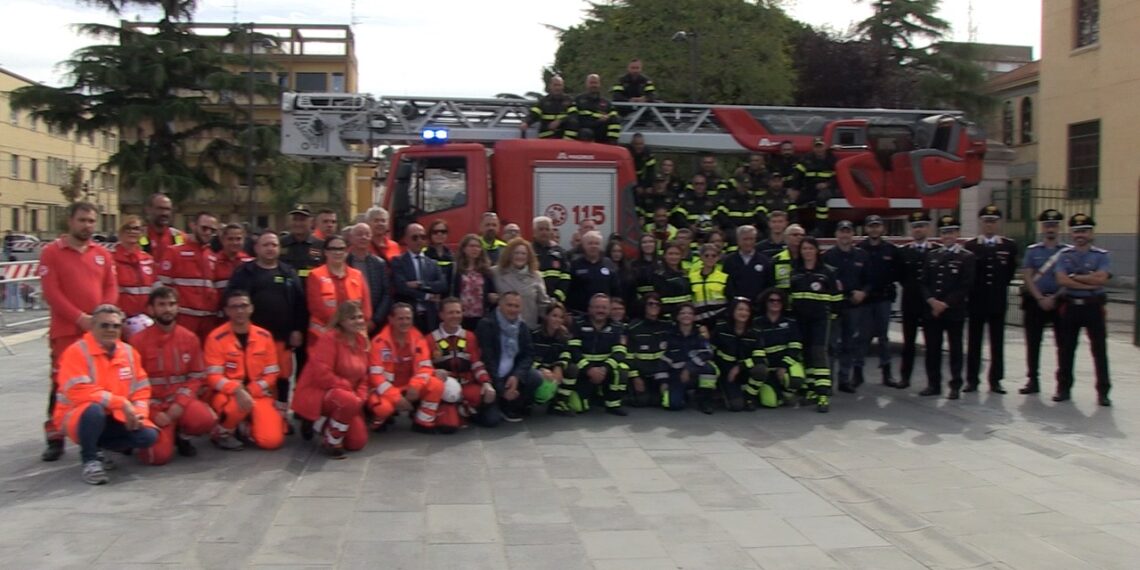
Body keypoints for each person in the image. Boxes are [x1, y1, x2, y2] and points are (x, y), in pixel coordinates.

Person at [38, 201, 119, 462]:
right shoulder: (52, 252)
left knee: (98, 384)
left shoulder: (103, 254)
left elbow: (111, 288)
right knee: (61, 383)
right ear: (70, 221)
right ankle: (55, 436)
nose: (87, 226)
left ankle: (98, 436)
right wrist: (80, 318)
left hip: (96, 332)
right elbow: (52, 293)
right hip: (66, 331)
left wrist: (102, 318)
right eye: (82, 220)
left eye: (91, 221)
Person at [53, 304, 159, 484]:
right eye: (104, 325)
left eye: (116, 326)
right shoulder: (76, 352)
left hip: (114, 416)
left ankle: (100, 446)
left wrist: (139, 414)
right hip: (78, 416)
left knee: (148, 436)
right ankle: (90, 460)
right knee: (95, 410)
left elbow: (142, 388)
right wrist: (121, 403)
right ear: (92, 326)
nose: (111, 330)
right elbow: (79, 391)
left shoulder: (129, 352)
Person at [226, 232, 307, 425]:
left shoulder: (288, 272)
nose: (270, 248)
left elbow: (300, 303)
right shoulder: (244, 272)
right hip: (252, 339)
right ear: (256, 248)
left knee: (283, 377)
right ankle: (249, 415)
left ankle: (281, 416)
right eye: (266, 245)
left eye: (274, 244)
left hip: (282, 338)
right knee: (254, 377)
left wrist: (297, 329)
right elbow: (232, 299)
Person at [128, 287, 216, 465]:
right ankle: (151, 434)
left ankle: (181, 435)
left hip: (179, 400)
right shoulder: (137, 342)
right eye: (161, 305)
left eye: (172, 304)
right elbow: (131, 383)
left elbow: (197, 376)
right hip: (152, 404)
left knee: (206, 420)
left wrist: (180, 404)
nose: (167, 309)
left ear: (178, 308)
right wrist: (152, 411)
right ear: (151, 309)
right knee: (157, 458)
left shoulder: (189, 338)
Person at [204, 289, 286, 450]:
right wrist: (235, 389)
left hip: (257, 394)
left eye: (244, 305)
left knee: (272, 441)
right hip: (227, 395)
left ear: (251, 308)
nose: (240, 310)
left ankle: (244, 427)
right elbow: (213, 376)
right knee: (235, 407)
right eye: (234, 307)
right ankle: (222, 433)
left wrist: (252, 389)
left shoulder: (265, 336)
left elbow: (272, 374)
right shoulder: (215, 338)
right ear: (226, 311)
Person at [292, 301, 372, 458]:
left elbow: (364, 375)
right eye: (352, 318)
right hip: (321, 392)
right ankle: (332, 442)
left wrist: (361, 397)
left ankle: (319, 423)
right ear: (341, 321)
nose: (358, 321)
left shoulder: (362, 341)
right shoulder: (329, 339)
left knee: (357, 442)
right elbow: (322, 375)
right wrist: (348, 389)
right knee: (346, 400)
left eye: (360, 317)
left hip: (349, 398)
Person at [1053, 213, 1112, 406]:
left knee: (1099, 350)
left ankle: (1103, 392)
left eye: (1084, 231)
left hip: (1093, 307)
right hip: (1071, 306)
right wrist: (1089, 282)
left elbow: (1101, 279)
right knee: (1066, 349)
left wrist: (1075, 277)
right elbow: (1061, 280)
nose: (1080, 234)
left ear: (1091, 233)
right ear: (1071, 233)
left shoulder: (1101, 255)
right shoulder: (1064, 255)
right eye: (1077, 231)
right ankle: (1063, 388)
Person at [963, 205, 1018, 394]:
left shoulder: (1008, 246)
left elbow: (1009, 273)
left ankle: (995, 380)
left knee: (997, 342)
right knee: (974, 342)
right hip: (977, 301)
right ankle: (972, 379)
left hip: (997, 300)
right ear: (981, 222)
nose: (989, 225)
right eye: (986, 221)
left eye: (993, 221)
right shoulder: (971, 246)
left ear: (998, 223)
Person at [369, 303, 446, 433]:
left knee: (436, 385)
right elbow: (376, 376)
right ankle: (379, 419)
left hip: (409, 386)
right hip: (387, 388)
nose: (405, 322)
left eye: (408, 318)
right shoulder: (379, 342)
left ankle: (423, 422)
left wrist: (416, 386)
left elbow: (425, 366)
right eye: (400, 318)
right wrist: (395, 398)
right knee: (382, 409)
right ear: (391, 319)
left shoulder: (418, 338)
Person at [922, 215, 976, 399]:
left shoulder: (966, 257)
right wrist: (931, 301)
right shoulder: (932, 255)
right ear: (940, 234)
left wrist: (945, 304)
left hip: (953, 311)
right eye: (944, 232)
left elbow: (965, 285)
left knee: (955, 349)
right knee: (932, 349)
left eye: (951, 231)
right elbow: (924, 283)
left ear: (957, 233)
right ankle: (933, 384)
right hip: (933, 312)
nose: (948, 235)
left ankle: (955, 385)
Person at [788, 236, 841, 412]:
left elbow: (836, 298)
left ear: (817, 250)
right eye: (804, 249)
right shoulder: (795, 271)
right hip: (800, 320)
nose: (807, 252)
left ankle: (823, 394)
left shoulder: (827, 272)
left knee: (819, 353)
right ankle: (810, 389)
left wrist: (832, 317)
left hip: (820, 320)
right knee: (806, 354)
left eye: (811, 248)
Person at [1019, 209, 1068, 395]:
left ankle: (1062, 384)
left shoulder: (1065, 252)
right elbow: (1028, 276)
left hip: (1059, 300)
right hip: (1036, 301)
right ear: (1042, 227)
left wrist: (1054, 298)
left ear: (1059, 228)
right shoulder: (1033, 251)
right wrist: (1039, 297)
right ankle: (1033, 380)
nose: (1050, 229)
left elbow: (1069, 277)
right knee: (1033, 342)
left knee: (1063, 344)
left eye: (1054, 225)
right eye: (1047, 225)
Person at [431, 298, 500, 429]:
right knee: (448, 426)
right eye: (450, 312)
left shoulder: (469, 337)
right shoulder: (430, 339)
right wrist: (434, 372)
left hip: (468, 386)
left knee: (492, 420)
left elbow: (476, 363)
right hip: (446, 391)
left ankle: (466, 411)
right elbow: (424, 367)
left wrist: (486, 382)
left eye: (458, 312)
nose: (455, 316)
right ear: (441, 315)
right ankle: (457, 412)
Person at [475, 291, 543, 422]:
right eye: (509, 305)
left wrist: (517, 376)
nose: (513, 309)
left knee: (535, 377)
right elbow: (487, 360)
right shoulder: (487, 324)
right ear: (500, 304)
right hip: (490, 376)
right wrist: (501, 389)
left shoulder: (522, 326)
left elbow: (529, 354)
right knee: (491, 421)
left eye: (516, 306)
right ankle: (494, 403)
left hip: (511, 374)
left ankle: (511, 406)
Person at [895, 211, 941, 390]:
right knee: (908, 344)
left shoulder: (936, 251)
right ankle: (905, 377)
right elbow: (899, 276)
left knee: (932, 345)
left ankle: (933, 382)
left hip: (930, 304)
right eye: (915, 226)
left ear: (928, 228)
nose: (918, 229)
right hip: (911, 302)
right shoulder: (904, 252)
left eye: (921, 226)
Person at [823, 220, 871, 392]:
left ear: (852, 234)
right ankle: (827, 381)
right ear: (836, 234)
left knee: (849, 344)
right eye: (842, 231)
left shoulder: (861, 255)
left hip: (854, 306)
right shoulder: (828, 256)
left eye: (848, 231)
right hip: (835, 307)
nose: (845, 235)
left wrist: (863, 292)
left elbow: (869, 280)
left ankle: (844, 380)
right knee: (831, 345)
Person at [157, 212, 219, 339]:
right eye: (204, 228)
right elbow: (162, 288)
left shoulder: (212, 256)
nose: (208, 232)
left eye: (212, 230)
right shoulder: (174, 252)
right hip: (184, 319)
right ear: (193, 225)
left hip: (208, 320)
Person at [306, 234, 372, 345]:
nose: (337, 252)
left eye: (341, 249)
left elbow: (366, 308)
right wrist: (341, 323)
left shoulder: (357, 275)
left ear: (347, 251)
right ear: (326, 252)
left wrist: (355, 324)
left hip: (354, 333)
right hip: (325, 332)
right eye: (333, 249)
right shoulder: (315, 275)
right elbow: (316, 307)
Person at [568, 294, 628, 416]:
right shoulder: (578, 324)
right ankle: (589, 396)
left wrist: (604, 369)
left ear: (609, 310)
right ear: (589, 309)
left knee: (622, 368)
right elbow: (573, 350)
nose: (600, 310)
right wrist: (589, 369)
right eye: (596, 307)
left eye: (604, 308)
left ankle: (613, 404)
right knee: (579, 407)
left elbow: (620, 352)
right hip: (583, 371)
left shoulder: (618, 327)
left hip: (605, 371)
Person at [857, 214, 899, 385]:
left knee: (883, 337)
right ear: (866, 229)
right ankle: (857, 373)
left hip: (883, 299)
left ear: (882, 228)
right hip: (866, 300)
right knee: (863, 338)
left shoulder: (891, 250)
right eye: (871, 226)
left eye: (877, 226)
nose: (874, 229)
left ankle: (887, 373)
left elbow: (898, 272)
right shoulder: (860, 249)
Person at [711, 298, 767, 412]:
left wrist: (739, 367)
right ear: (732, 311)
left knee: (761, 369)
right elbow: (711, 350)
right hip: (725, 372)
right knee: (736, 406)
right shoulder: (721, 328)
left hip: (745, 370)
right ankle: (721, 391)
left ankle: (749, 397)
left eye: (747, 310)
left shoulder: (755, 331)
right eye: (740, 309)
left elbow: (759, 357)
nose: (744, 313)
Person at [754, 288, 807, 408]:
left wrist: (783, 366)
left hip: (786, 364)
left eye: (778, 301)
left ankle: (786, 393)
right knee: (770, 403)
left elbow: (795, 347)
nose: (775, 303)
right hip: (767, 367)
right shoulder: (757, 323)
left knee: (796, 378)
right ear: (765, 303)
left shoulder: (790, 322)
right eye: (771, 300)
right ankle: (775, 392)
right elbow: (755, 348)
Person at [392, 223, 448, 333]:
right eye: (415, 237)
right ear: (406, 239)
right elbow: (401, 287)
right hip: (408, 316)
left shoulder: (432, 263)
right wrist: (426, 295)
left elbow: (442, 285)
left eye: (422, 237)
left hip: (430, 316)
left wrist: (420, 284)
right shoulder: (398, 261)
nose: (419, 240)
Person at [661, 304, 717, 413]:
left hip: (695, 372)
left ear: (694, 317)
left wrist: (688, 368)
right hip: (676, 375)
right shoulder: (669, 334)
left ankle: (705, 400)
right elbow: (663, 359)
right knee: (672, 405)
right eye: (682, 313)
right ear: (677, 316)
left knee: (709, 369)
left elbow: (708, 353)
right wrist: (663, 382)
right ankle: (683, 395)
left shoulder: (700, 333)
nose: (686, 315)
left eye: (690, 313)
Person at [492, 238, 551, 327]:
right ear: (509, 254)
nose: (520, 256)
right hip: (501, 328)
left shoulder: (536, 276)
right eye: (516, 253)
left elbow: (543, 303)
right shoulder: (495, 272)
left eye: (523, 253)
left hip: (527, 328)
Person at [346, 222, 392, 335]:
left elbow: (387, 294)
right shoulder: (344, 262)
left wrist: (375, 320)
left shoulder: (379, 263)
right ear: (351, 238)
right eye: (359, 234)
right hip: (347, 322)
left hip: (374, 323)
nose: (363, 237)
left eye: (367, 234)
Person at [532, 302, 576, 414]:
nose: (557, 320)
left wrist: (559, 366)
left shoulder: (563, 336)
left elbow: (566, 354)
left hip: (553, 369)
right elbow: (528, 357)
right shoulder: (534, 334)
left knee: (572, 369)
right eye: (554, 316)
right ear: (546, 316)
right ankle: (528, 401)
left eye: (561, 317)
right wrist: (541, 369)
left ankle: (559, 403)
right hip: (537, 370)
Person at [451, 233, 499, 331]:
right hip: (460, 316)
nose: (475, 249)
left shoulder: (485, 271)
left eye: (478, 246)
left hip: (480, 317)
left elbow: (492, 291)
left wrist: (492, 297)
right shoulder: (456, 269)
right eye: (472, 246)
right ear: (464, 249)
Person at [110, 215, 156, 318]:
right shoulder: (110, 258)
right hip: (120, 319)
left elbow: (155, 289)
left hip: (146, 319)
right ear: (120, 231)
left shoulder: (148, 259)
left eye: (136, 228)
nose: (132, 232)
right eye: (128, 228)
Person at [566, 231, 621, 314]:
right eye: (590, 243)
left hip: (603, 313)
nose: (593, 246)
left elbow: (616, 290)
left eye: (596, 243)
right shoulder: (575, 264)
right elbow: (568, 290)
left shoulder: (609, 263)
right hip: (579, 313)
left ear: (601, 246)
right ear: (583, 245)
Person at [723, 225, 774, 313]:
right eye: (745, 239)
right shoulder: (729, 261)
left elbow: (769, 285)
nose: (748, 242)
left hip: (759, 308)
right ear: (738, 240)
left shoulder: (765, 261)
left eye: (751, 239)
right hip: (736, 309)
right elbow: (727, 286)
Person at [794, 138, 837, 235]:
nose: (819, 149)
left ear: (825, 147)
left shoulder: (832, 159)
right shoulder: (806, 159)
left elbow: (838, 177)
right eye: (816, 147)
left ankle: (820, 229)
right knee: (794, 202)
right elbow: (798, 175)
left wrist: (827, 184)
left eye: (821, 146)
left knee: (821, 199)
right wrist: (795, 189)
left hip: (828, 189)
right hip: (810, 188)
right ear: (813, 148)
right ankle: (794, 227)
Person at [565, 73, 620, 143]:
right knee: (586, 132)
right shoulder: (578, 100)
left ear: (599, 84)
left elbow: (614, 118)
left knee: (615, 120)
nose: (594, 85)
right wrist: (598, 121)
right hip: (584, 132)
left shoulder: (607, 103)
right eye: (591, 83)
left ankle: (612, 147)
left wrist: (608, 118)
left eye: (596, 83)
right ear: (586, 84)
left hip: (601, 133)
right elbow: (574, 120)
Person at [279, 204, 324, 280]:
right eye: (295, 219)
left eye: (302, 220)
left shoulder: (320, 245)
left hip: (310, 288)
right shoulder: (280, 243)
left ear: (311, 222)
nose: (298, 223)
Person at [520, 75, 573, 139]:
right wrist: (526, 122)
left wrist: (560, 121)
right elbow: (534, 114)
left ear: (563, 86)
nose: (557, 88)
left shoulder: (569, 100)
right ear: (550, 86)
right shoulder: (543, 101)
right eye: (555, 85)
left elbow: (573, 115)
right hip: (546, 137)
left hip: (563, 138)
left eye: (559, 85)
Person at [532, 216, 569, 303]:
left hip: (555, 302)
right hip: (534, 301)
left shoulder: (560, 252)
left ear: (551, 232)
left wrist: (557, 298)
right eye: (541, 229)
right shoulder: (528, 250)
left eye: (547, 229)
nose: (544, 232)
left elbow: (566, 278)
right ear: (534, 232)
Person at [652, 242, 693, 320]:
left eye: (677, 254)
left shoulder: (685, 274)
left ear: (681, 256)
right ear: (664, 256)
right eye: (670, 254)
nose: (674, 257)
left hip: (685, 317)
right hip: (668, 318)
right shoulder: (659, 276)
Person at [690, 243, 728, 325]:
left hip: (719, 320)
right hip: (698, 321)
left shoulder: (724, 277)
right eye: (706, 255)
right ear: (701, 257)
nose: (710, 258)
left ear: (718, 258)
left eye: (713, 255)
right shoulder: (691, 278)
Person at [139, 193, 184, 261]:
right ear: (148, 210)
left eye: (167, 209)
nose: (164, 213)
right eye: (160, 209)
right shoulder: (138, 236)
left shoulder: (179, 237)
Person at [214, 224, 251, 296]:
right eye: (230, 239)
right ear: (222, 240)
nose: (235, 243)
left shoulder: (249, 262)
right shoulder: (213, 261)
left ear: (244, 240)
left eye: (238, 239)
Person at [773, 223, 805, 290]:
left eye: (802, 235)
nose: (799, 237)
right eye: (795, 235)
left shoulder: (809, 259)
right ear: (785, 238)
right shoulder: (777, 260)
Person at [424, 219, 455, 287]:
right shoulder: (424, 254)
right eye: (435, 232)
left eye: (443, 231)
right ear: (430, 234)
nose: (439, 234)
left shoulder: (452, 255)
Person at [606, 239, 636, 309]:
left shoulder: (628, 270)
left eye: (619, 251)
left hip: (626, 306)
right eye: (614, 251)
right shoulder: (605, 269)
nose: (617, 254)